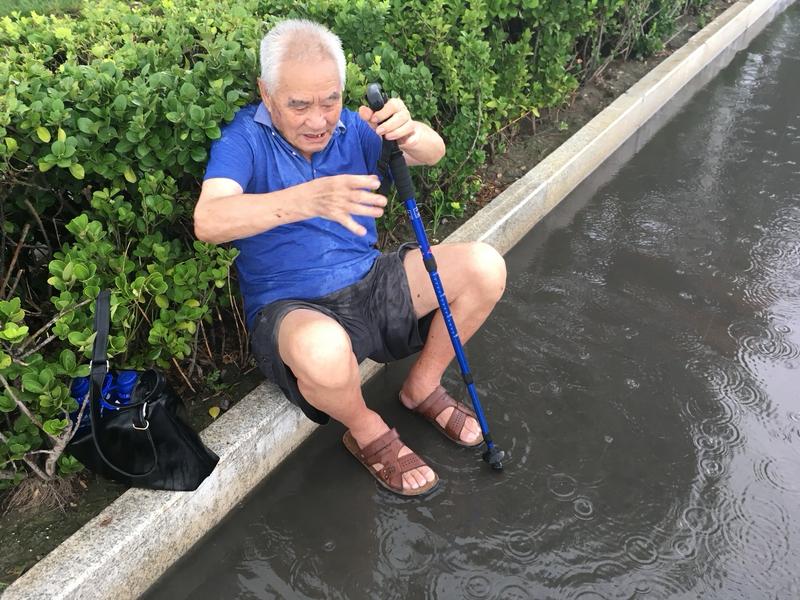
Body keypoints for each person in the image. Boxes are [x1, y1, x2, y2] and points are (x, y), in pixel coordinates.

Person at [194, 19, 506, 496]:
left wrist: (410, 132)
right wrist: (307, 199)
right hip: (293, 307)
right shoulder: (243, 138)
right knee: (323, 351)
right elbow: (209, 220)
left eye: (329, 100)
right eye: (299, 105)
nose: (318, 120)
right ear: (266, 93)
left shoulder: (355, 127)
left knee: (485, 267)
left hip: (370, 278)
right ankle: (365, 429)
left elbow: (433, 151)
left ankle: (422, 386)